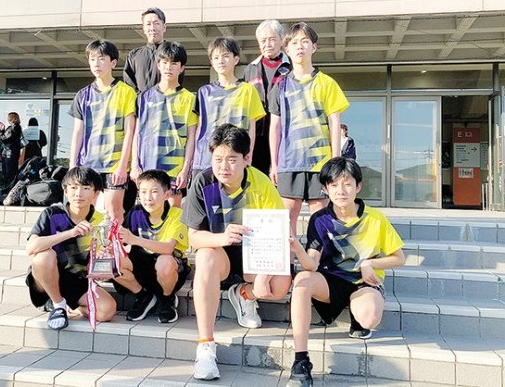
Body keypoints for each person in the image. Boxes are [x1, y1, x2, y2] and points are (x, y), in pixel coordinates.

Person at [182, 124, 291, 381]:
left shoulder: (261, 183)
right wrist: (222, 237)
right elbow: (194, 237)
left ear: (246, 158)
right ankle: (206, 345)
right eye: (218, 159)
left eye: (232, 159)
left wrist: (264, 274)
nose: (224, 166)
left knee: (278, 285)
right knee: (205, 255)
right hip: (220, 255)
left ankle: (244, 294)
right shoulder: (202, 182)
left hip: (255, 253)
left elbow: (278, 232)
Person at [287, 157, 405, 386]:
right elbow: (311, 265)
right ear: (325, 189)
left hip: (363, 283)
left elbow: (399, 258)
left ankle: (357, 316)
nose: (340, 191)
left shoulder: (375, 219)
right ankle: (301, 360)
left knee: (369, 317)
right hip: (330, 281)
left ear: (358, 186)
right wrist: (298, 249)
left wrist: (370, 264)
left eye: (347, 184)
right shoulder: (319, 219)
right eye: (333, 185)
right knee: (302, 280)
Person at [269, 22, 350, 236]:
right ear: (287, 49)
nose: (300, 46)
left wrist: (335, 161)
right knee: (287, 217)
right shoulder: (280, 86)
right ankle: (288, 258)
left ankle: (317, 257)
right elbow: (275, 127)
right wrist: (274, 164)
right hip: (289, 161)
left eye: (305, 41)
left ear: (314, 47)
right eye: (294, 42)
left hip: (320, 162)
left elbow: (334, 123)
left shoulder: (327, 83)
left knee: (321, 216)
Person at [25, 167, 117, 330]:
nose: (78, 193)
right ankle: (58, 305)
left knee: (107, 311)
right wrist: (71, 233)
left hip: (77, 280)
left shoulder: (101, 221)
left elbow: (103, 260)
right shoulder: (52, 214)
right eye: (73, 187)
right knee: (43, 256)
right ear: (65, 191)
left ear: (95, 194)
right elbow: (31, 248)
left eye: (86, 188)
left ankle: (70, 307)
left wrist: (104, 259)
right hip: (47, 276)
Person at [69, 39, 137, 225]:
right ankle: (88, 244)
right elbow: (78, 132)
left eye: (101, 59)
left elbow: (130, 131)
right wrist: (73, 164)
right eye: (92, 59)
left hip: (115, 163)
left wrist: (123, 165)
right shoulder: (82, 95)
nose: (96, 64)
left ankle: (115, 244)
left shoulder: (127, 92)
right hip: (88, 164)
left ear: (113, 63)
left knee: (115, 210)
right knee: (85, 211)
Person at [113, 169, 190, 323]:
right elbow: (121, 241)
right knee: (112, 261)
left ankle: (167, 299)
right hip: (142, 266)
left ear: (167, 194)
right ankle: (144, 296)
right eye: (143, 192)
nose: (148, 197)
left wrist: (135, 239)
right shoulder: (135, 212)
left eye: (154, 191)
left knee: (165, 261)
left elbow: (168, 248)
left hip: (169, 270)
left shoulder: (177, 215)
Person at [130, 41, 197, 208]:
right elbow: (137, 134)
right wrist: (134, 165)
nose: (168, 67)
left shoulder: (190, 99)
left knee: (173, 215)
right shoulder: (143, 98)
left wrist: (185, 169)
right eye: (165, 62)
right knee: (147, 215)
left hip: (175, 169)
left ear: (181, 68)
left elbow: (192, 138)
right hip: (147, 168)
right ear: (158, 65)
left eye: (174, 63)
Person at [193, 37, 265, 177]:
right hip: (205, 160)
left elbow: (251, 128)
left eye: (225, 56)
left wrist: (248, 155)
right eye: (216, 57)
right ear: (211, 61)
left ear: (236, 59)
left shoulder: (248, 90)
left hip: (234, 159)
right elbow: (199, 127)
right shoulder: (204, 92)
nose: (221, 61)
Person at [244, 19, 292, 175]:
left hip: (283, 135)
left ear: (281, 40)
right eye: (263, 40)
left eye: (272, 39)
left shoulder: (291, 67)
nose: (267, 44)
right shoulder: (251, 69)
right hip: (257, 135)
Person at [123, 7, 183, 93]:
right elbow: (129, 83)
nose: (152, 28)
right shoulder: (134, 55)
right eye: (148, 24)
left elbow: (177, 82)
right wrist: (142, 98)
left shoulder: (173, 53)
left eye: (156, 23)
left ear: (164, 27)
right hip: (140, 101)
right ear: (143, 28)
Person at [0, 112, 23, 190]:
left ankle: (9, 188)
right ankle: (6, 187)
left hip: (11, 153)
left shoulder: (16, 127)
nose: (7, 119)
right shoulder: (11, 127)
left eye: (9, 117)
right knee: (5, 171)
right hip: (6, 152)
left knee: (10, 171)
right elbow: (4, 137)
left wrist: (1, 133)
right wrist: (2, 131)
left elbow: (6, 138)